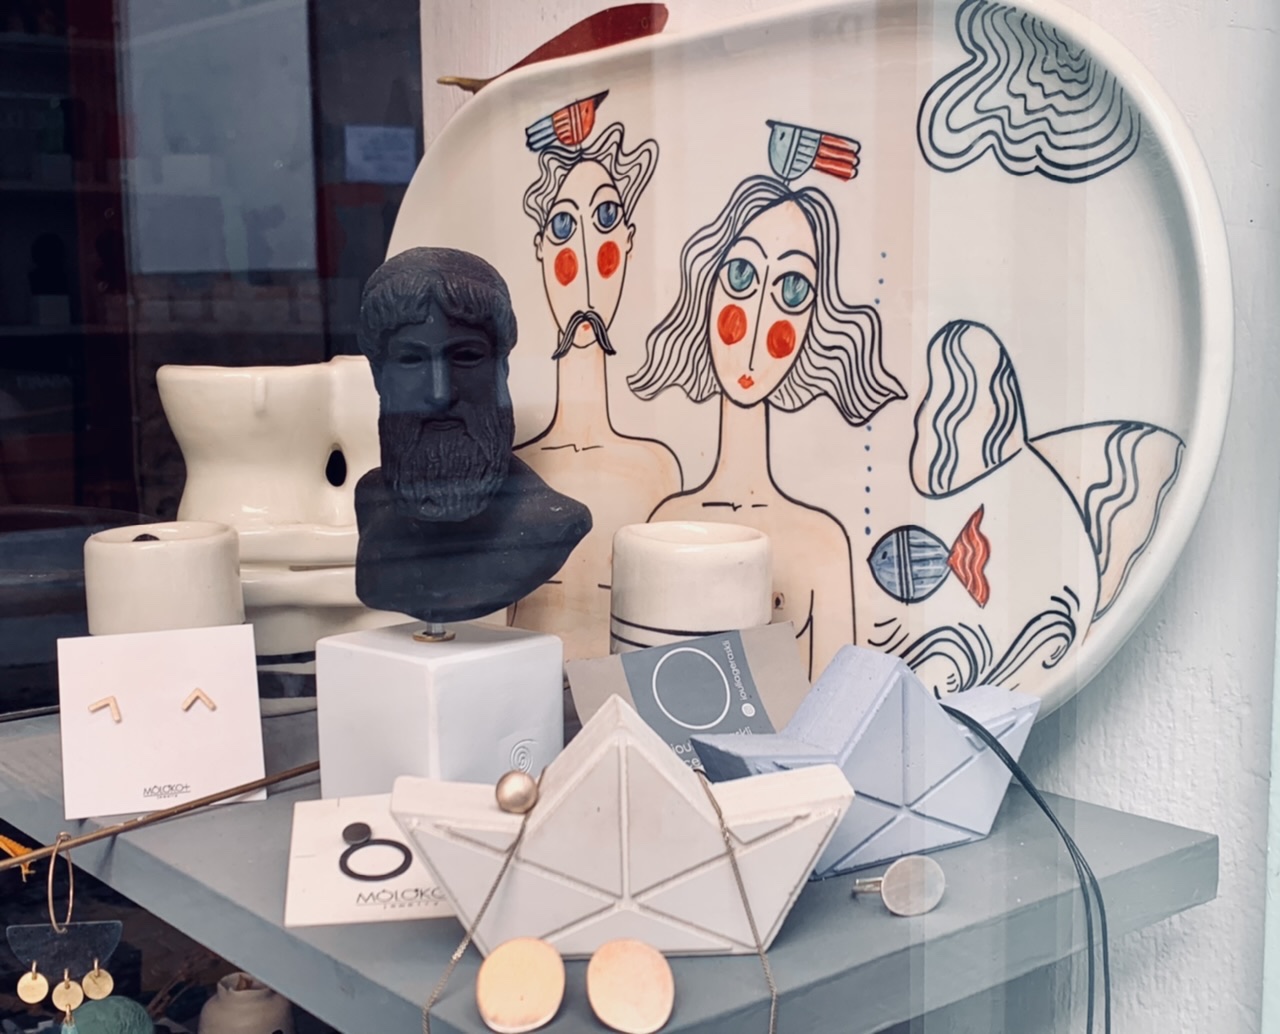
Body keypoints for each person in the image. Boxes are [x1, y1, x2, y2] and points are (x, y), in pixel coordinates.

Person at [630, 173, 905, 676]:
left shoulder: (823, 544)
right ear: (706, 289)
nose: (756, 322)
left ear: (813, 324)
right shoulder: (664, 524)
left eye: (793, 290)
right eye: (741, 276)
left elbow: (834, 712)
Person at [512, 105, 681, 659]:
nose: (585, 260)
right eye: (564, 227)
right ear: (541, 249)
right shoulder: (515, 468)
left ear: (628, 241)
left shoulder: (657, 472)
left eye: (606, 220)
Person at [353, 247, 591, 625]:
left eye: (465, 357)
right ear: (379, 377)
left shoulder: (553, 523)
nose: (440, 393)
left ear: (502, 368)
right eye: (412, 360)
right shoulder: (372, 501)